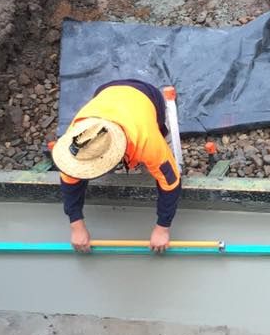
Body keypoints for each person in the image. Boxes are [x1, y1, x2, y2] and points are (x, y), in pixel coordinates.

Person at [51, 79, 181, 253]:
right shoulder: (78, 140)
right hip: (105, 92)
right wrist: (76, 225)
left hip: (146, 96)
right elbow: (69, 181)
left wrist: (162, 228)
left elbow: (171, 182)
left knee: (157, 164)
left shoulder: (148, 142)